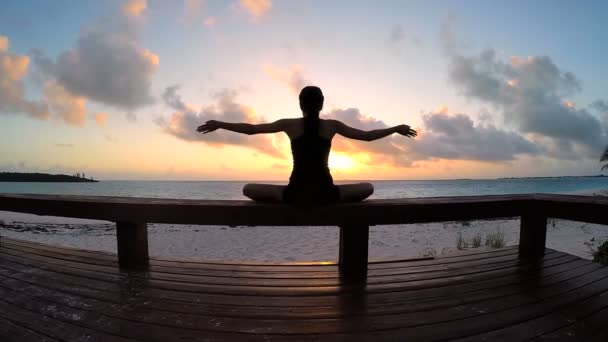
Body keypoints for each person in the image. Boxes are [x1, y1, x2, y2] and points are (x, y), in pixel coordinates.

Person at [197, 86, 417, 204]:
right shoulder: (332, 126)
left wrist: (220, 124)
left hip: (295, 195)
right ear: (321, 104)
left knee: (248, 189)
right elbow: (367, 136)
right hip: (327, 194)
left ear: (300, 104)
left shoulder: (288, 124)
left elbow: (252, 129)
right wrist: (395, 128)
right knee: (368, 187)